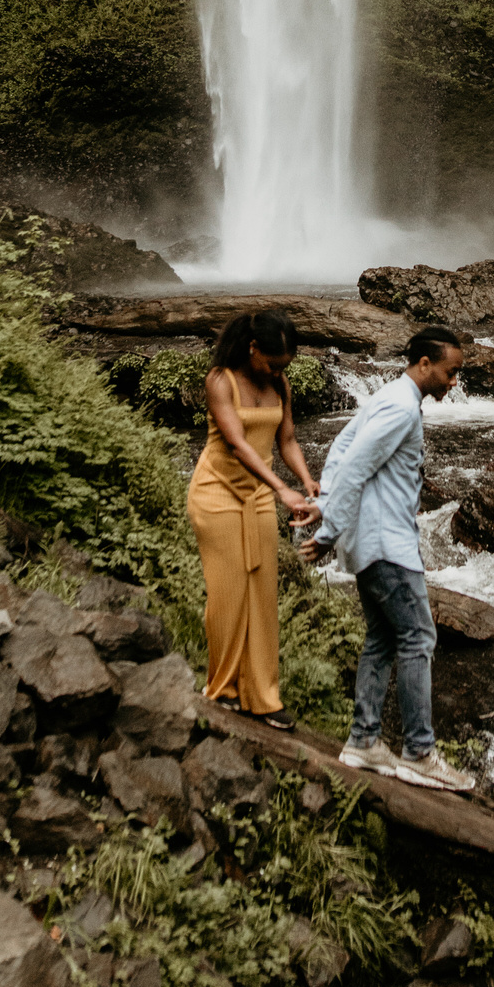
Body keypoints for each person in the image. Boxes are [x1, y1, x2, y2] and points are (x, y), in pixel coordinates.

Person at [300, 328, 475, 793]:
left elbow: (339, 450)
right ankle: (419, 752)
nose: (453, 382)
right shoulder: (400, 408)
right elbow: (355, 464)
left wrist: (329, 511)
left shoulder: (386, 398)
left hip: (368, 540)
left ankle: (363, 741)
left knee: (381, 638)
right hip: (386, 542)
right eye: (450, 371)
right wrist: (328, 529)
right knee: (418, 637)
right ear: (423, 363)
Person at [186, 309, 319, 731]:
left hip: (259, 495)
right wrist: (282, 489)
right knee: (228, 594)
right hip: (217, 494)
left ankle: (262, 697)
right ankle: (222, 692)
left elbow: (288, 439)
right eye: (272, 362)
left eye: (285, 365)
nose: (278, 371)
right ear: (252, 348)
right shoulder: (220, 380)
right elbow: (238, 443)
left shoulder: (279, 383)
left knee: (261, 597)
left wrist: (306, 479)